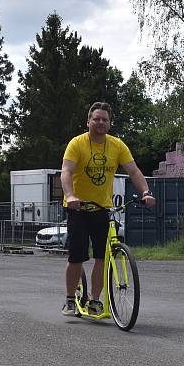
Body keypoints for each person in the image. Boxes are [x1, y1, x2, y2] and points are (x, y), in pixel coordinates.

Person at [60, 101, 155, 317]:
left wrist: (146, 192)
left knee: (103, 257)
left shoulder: (117, 146)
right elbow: (66, 171)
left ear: (109, 123)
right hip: (78, 208)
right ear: (88, 122)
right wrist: (70, 195)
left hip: (102, 208)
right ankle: (69, 299)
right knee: (77, 257)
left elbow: (134, 171)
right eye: (97, 119)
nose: (101, 122)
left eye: (105, 119)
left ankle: (95, 300)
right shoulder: (77, 144)